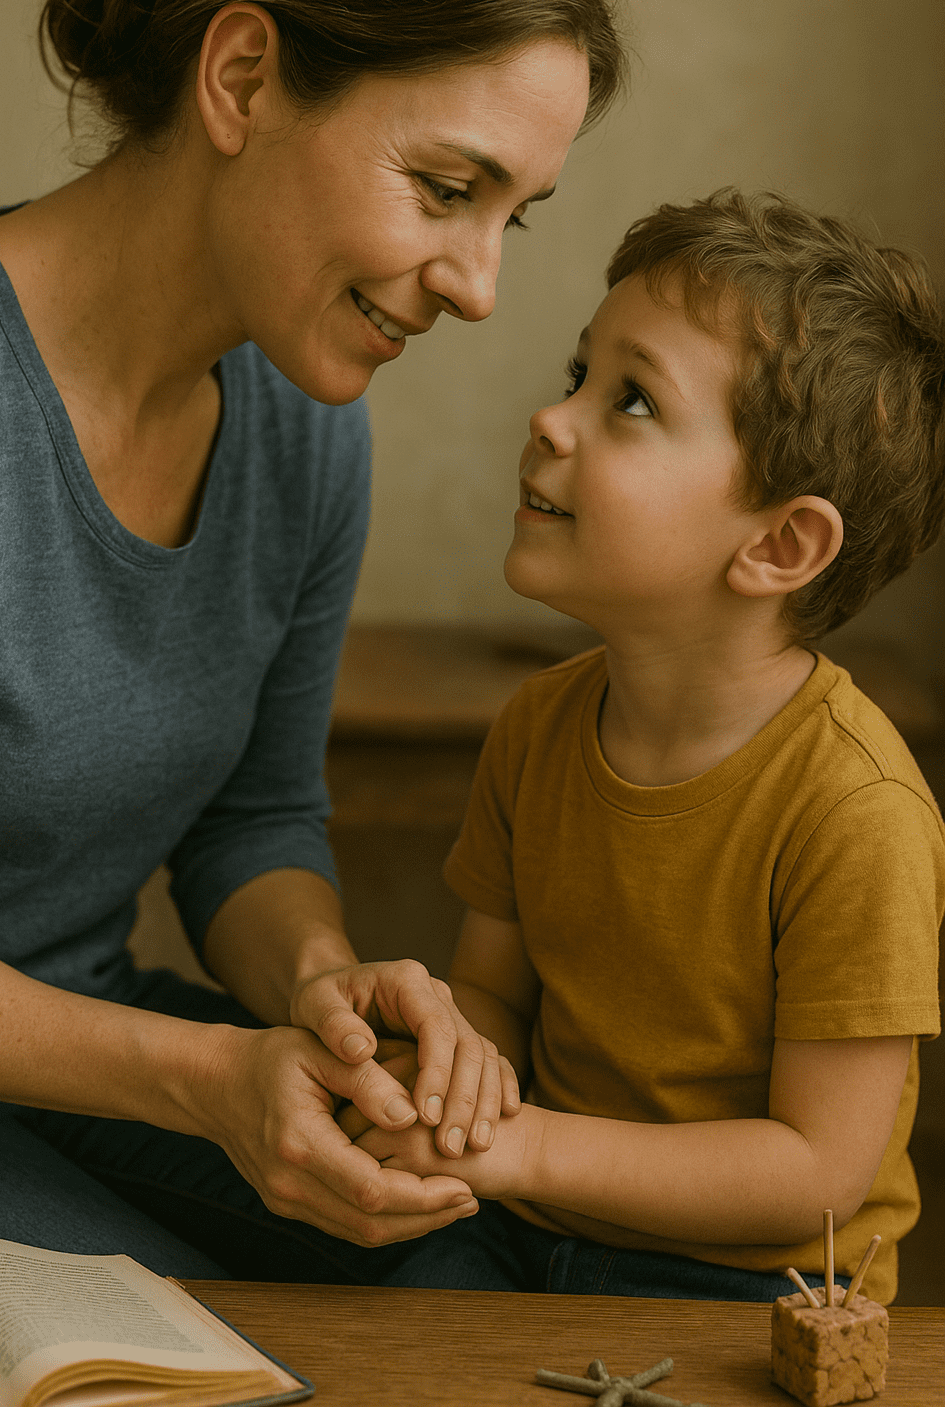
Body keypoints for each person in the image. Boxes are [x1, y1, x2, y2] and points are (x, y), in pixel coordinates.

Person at [0, 0, 627, 1276]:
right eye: (447, 188)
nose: (480, 285)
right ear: (241, 77)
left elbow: (253, 820)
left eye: (514, 216)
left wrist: (322, 993)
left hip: (79, 1063)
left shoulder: (307, 430)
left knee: (466, 1270)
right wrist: (201, 1081)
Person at [250, 188, 945, 1300]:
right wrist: (453, 1070)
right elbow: (497, 995)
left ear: (778, 542)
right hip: (525, 1227)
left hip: (756, 1290)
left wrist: (519, 1144)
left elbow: (814, 1177)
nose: (550, 417)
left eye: (629, 400)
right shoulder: (539, 725)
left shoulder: (855, 813)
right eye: (579, 375)